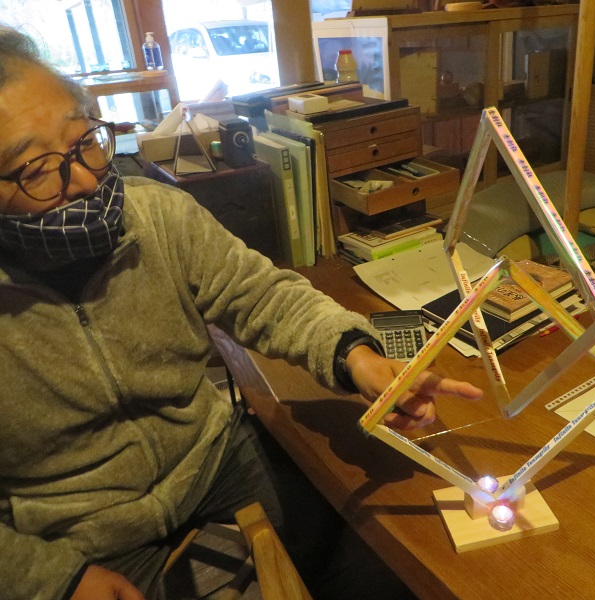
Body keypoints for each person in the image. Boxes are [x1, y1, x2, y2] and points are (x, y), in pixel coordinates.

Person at [0, 27, 483, 600]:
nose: (84, 179)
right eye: (34, 168)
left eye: (85, 141)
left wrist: (356, 356)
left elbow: (264, 295)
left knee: (387, 556)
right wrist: (55, 580)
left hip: (212, 461)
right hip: (79, 538)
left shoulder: (159, 216)